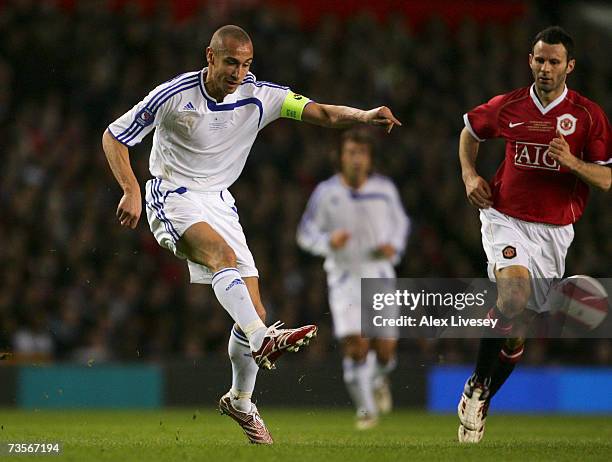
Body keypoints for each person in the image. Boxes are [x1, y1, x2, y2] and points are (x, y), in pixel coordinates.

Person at [102, 25, 401, 445]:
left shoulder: (262, 96)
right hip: (172, 194)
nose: (238, 72)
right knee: (224, 261)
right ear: (210, 56)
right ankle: (265, 341)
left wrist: (364, 116)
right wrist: (131, 189)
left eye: (245, 65)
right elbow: (114, 135)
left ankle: (241, 400)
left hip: (221, 203)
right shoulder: (174, 95)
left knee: (252, 309)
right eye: (230, 62)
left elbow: (324, 114)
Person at [457, 26, 611, 443]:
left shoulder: (588, 116)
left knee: (517, 330)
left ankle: (482, 393)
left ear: (569, 67)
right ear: (531, 60)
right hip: (505, 216)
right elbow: (470, 131)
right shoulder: (510, 106)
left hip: (555, 232)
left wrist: (573, 163)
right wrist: (470, 175)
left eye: (554, 61)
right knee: (513, 298)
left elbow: (606, 179)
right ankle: (477, 386)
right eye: (540, 60)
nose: (545, 68)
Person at [297, 128, 410, 429]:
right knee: (356, 346)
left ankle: (378, 380)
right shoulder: (326, 193)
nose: (357, 159)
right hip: (344, 279)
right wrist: (327, 242)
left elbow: (401, 226)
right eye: (351, 152)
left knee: (385, 353)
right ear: (341, 157)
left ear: (370, 159)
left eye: (362, 153)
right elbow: (305, 233)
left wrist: (394, 247)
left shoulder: (385, 190)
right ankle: (365, 410)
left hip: (380, 275)